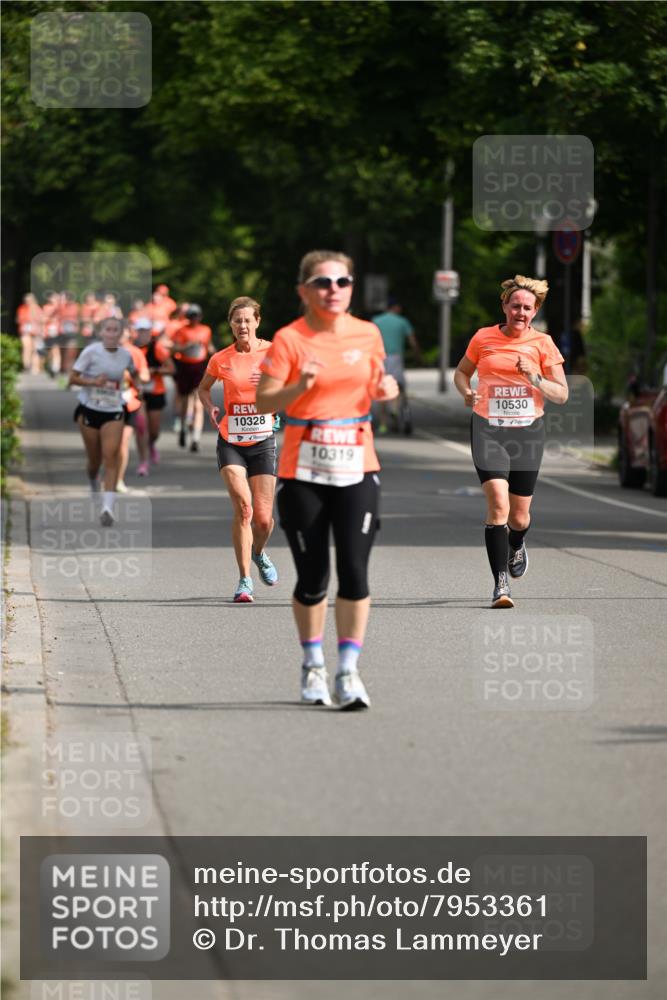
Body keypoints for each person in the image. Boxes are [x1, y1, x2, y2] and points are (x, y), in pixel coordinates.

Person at [256, 250, 398, 710]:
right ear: (304, 291)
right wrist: (300, 386)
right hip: (303, 472)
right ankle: (313, 663)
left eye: (342, 281)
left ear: (351, 288)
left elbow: (375, 384)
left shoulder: (368, 333)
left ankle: (348, 671)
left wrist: (386, 390)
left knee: (355, 572)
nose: (333, 289)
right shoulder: (289, 339)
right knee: (314, 577)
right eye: (322, 282)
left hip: (357, 466)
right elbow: (263, 402)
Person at [453, 275, 568, 608]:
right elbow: (461, 373)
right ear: (504, 306)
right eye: (515, 305)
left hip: (528, 432)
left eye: (527, 308)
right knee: (498, 505)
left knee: (518, 517)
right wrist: (466, 392)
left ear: (535, 312)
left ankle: (516, 543)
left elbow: (561, 394)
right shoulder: (483, 337)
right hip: (488, 428)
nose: (520, 312)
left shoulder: (543, 344)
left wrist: (534, 376)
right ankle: (501, 586)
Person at [198, 297, 279, 603]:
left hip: (263, 440)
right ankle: (245, 580)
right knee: (244, 508)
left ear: (257, 321)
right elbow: (203, 388)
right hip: (231, 439)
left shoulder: (273, 352)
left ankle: (258, 552)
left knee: (263, 519)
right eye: (237, 321)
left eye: (247, 320)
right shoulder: (221, 358)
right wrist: (210, 406)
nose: (242, 325)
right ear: (230, 324)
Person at [69, 316, 149, 525]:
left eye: (116, 330)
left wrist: (138, 386)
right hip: (89, 408)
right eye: (108, 330)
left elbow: (134, 374)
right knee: (94, 461)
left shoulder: (125, 355)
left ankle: (108, 508)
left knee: (111, 457)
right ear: (101, 332)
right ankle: (92, 480)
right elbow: (73, 378)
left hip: (114, 409)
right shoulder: (91, 352)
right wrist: (93, 381)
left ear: (122, 334)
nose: (112, 334)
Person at [371, 297, 422, 433]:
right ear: (396, 307)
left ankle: (383, 424)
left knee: (381, 388)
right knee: (398, 386)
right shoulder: (402, 321)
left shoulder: (376, 321)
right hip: (395, 358)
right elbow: (412, 341)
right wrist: (417, 356)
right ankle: (394, 409)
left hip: (379, 357)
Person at [170, 303, 213, 451]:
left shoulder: (206, 330)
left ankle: (195, 438)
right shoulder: (181, 331)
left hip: (199, 367)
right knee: (184, 401)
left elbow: (208, 347)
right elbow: (174, 348)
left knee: (197, 402)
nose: (194, 319)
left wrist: (216, 355)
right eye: (191, 316)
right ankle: (183, 427)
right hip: (185, 367)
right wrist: (186, 346)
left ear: (200, 317)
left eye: (196, 316)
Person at [133, 317, 174, 464]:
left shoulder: (157, 348)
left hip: (156, 391)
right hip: (138, 393)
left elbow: (171, 369)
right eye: (140, 331)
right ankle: (143, 459)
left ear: (150, 332)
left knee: (154, 431)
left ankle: (151, 445)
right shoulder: (132, 348)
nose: (143, 334)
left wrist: (154, 371)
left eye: (146, 331)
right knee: (141, 426)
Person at [117, 326, 150, 490]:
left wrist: (131, 375)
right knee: (110, 442)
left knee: (128, 438)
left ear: (128, 334)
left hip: (131, 401)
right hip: (107, 402)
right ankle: (111, 474)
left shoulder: (135, 352)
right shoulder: (103, 352)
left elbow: (145, 375)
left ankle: (119, 479)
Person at [16, 293, 43, 373]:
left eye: (30, 300)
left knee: (36, 350)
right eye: (26, 300)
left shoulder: (38, 309)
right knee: (27, 347)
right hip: (25, 332)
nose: (28, 302)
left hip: (36, 332)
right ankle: (26, 365)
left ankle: (35, 367)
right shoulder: (22, 309)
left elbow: (41, 320)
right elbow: (19, 319)